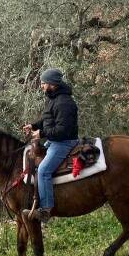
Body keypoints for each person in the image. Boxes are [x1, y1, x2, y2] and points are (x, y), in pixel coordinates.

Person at [22, 68, 79, 223]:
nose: (41, 85)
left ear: (52, 84)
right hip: (55, 141)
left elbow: (62, 131)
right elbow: (47, 119)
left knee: (43, 171)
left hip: (64, 143)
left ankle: (46, 210)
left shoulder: (64, 103)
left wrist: (41, 134)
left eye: (43, 82)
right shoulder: (53, 98)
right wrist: (33, 126)